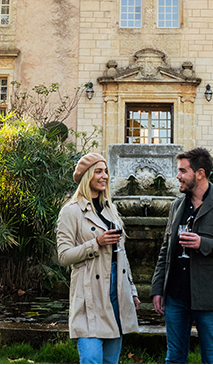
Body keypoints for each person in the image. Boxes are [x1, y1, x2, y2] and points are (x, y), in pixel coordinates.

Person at [150, 147, 213, 365]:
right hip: (175, 296)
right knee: (174, 358)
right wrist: (158, 289)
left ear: (200, 173)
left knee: (212, 359)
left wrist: (204, 243)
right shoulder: (176, 206)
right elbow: (166, 250)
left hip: (210, 297)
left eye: (183, 171)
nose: (178, 176)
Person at [56, 152, 142, 365]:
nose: (104, 176)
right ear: (87, 176)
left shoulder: (111, 209)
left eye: (106, 171)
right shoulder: (71, 211)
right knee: (92, 359)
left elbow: (122, 255)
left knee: (110, 362)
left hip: (116, 291)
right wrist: (96, 243)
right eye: (99, 171)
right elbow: (64, 256)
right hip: (89, 294)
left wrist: (131, 291)